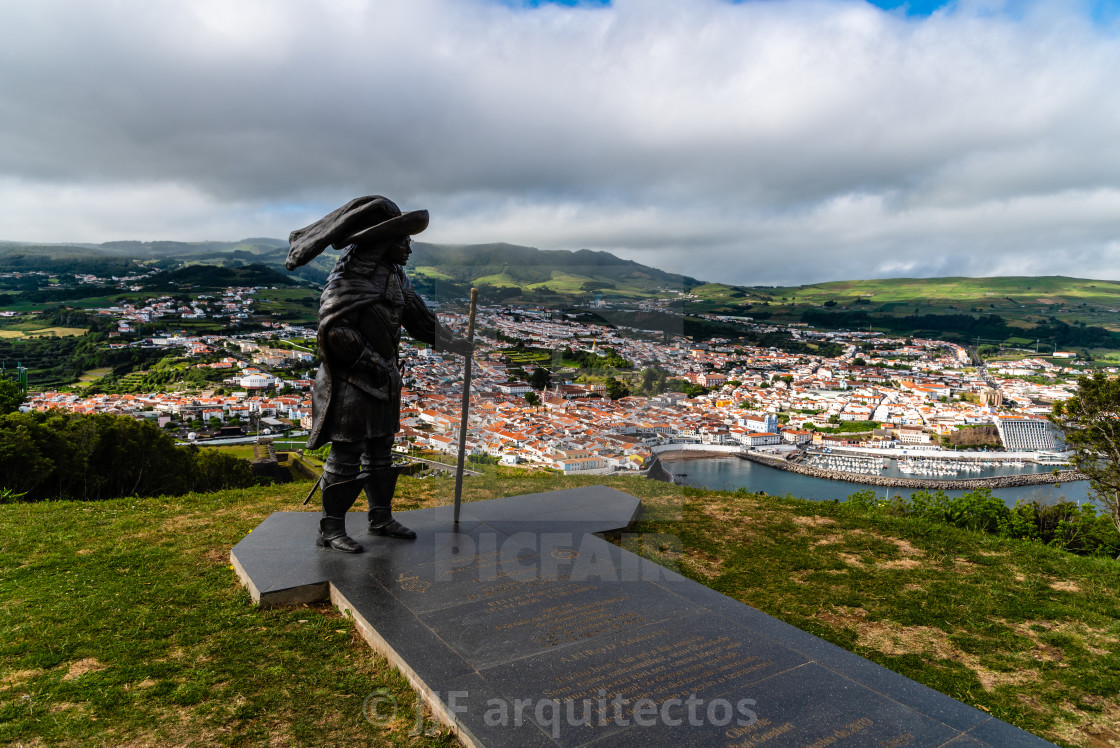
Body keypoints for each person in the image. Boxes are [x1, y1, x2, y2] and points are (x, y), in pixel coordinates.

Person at [286, 196, 472, 552]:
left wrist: (454, 343)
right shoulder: (350, 279)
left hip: (385, 381)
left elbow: (419, 318)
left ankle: (381, 517)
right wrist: (372, 362)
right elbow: (335, 330)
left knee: (381, 450)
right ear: (383, 243)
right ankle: (331, 528)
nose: (409, 249)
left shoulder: (395, 278)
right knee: (346, 454)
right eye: (404, 241)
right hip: (351, 383)